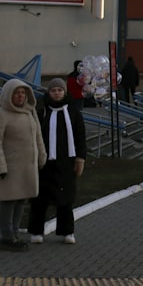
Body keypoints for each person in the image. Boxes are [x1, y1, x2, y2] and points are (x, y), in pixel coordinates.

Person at [28, 79, 86, 244]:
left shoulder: (73, 112)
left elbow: (80, 137)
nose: (56, 93)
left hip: (66, 162)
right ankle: (36, 231)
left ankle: (67, 232)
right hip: (44, 162)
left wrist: (80, 158)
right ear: (49, 92)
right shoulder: (42, 111)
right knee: (39, 199)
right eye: (53, 90)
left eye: (59, 90)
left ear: (65, 92)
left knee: (66, 199)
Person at [0, 78, 46, 251]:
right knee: (8, 201)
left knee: (21, 201)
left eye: (22, 93)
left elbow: (38, 137)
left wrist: (42, 156)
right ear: (8, 95)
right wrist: (1, 166)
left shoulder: (29, 113)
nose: (20, 96)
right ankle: (6, 236)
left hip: (27, 167)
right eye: (16, 93)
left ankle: (15, 234)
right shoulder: (3, 114)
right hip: (10, 168)